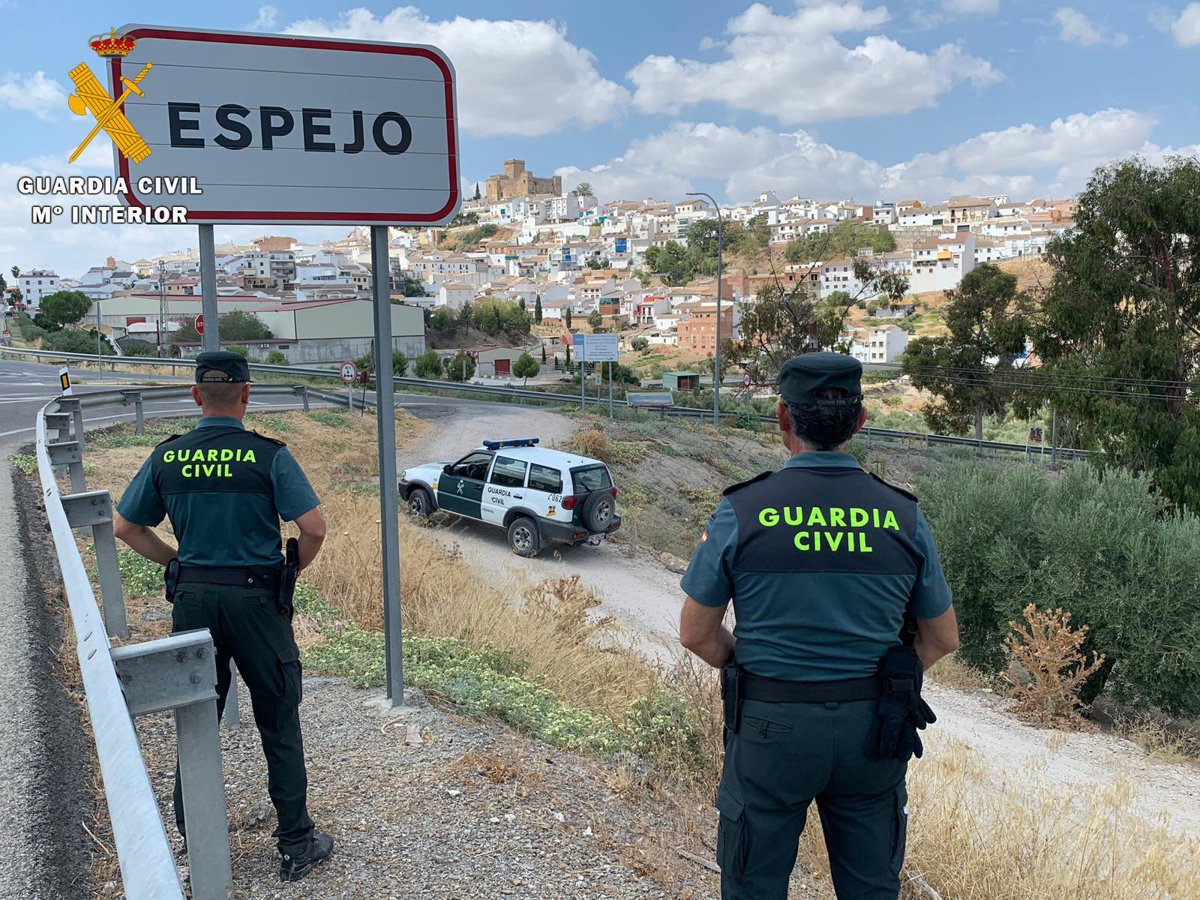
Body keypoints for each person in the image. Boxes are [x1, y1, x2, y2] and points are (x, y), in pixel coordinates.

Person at [678, 352, 960, 900]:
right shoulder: (903, 515)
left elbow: (695, 633)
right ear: (860, 420)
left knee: (753, 885)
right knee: (871, 888)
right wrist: (884, 677)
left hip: (770, 727)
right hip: (873, 729)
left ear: (782, 417)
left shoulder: (743, 510)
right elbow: (943, 638)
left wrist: (755, 667)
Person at [113, 350, 333, 882]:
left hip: (193, 602)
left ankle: (196, 843)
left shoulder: (168, 457)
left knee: (196, 720)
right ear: (246, 394)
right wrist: (290, 571)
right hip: (258, 603)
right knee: (278, 718)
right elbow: (314, 528)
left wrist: (177, 561)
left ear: (195, 396)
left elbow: (125, 527)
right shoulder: (269, 456)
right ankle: (296, 843)